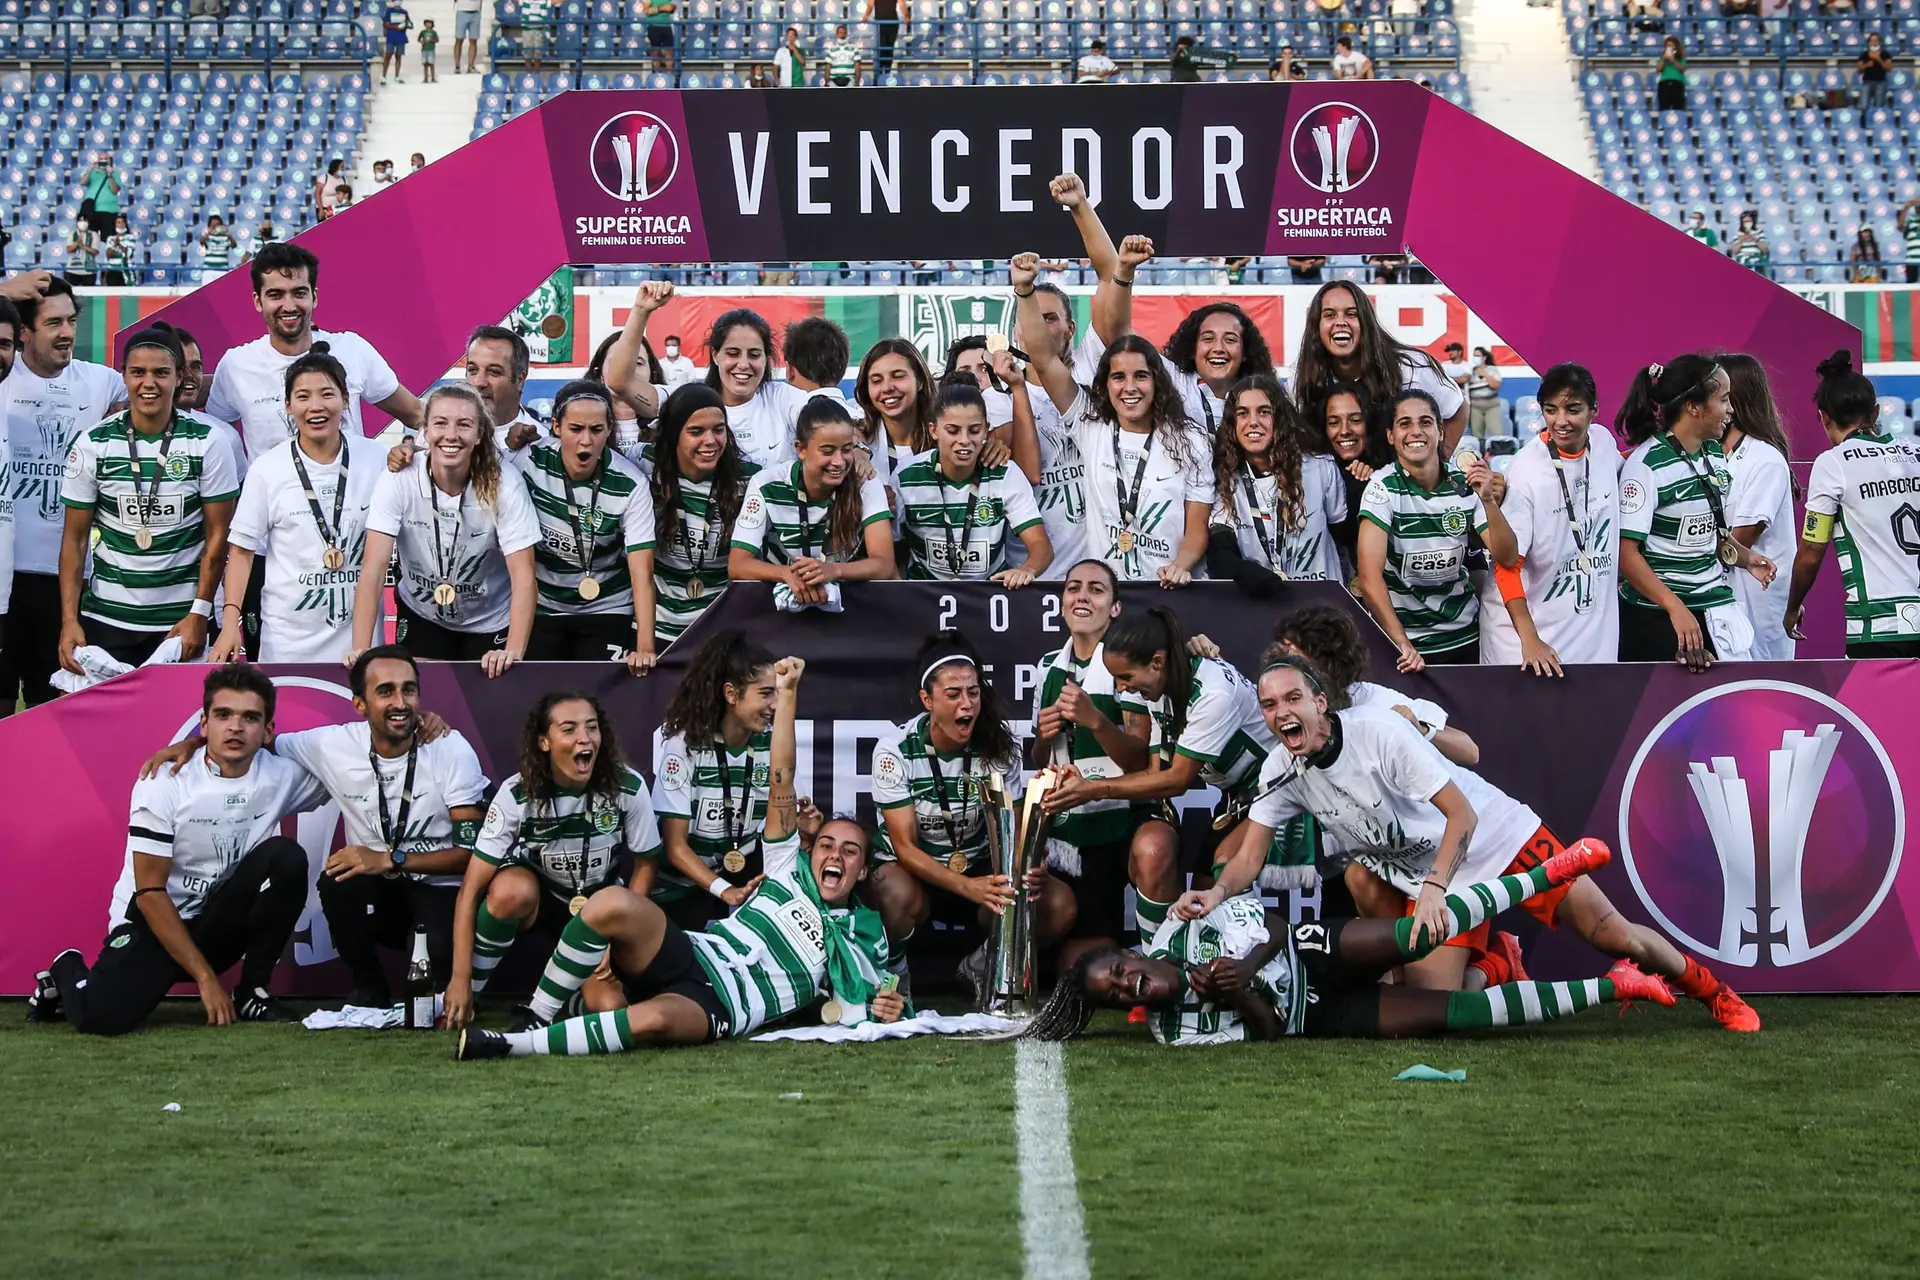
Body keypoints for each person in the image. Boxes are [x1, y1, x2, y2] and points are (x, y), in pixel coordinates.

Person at [1188, 658, 1762, 1030]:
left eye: (1292, 698)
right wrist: (1215, 895)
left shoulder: (1378, 733)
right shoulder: (1279, 770)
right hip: (1430, 875)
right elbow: (1248, 859)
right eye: (1269, 705)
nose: (1280, 712)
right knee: (1438, 1009)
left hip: (1495, 837)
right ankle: (1497, 963)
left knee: (1614, 935)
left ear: (1320, 701)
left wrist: (1435, 890)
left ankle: (1713, 992)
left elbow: (1459, 815)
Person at [459, 656, 908, 1058]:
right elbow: (782, 777)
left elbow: (881, 989)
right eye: (827, 843)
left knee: (646, 1021)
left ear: (864, 869)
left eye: (850, 851)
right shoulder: (785, 867)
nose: (835, 855)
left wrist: (889, 1002)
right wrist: (787, 696)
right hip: (697, 952)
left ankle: (515, 1045)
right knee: (611, 903)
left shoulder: (866, 931)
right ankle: (535, 1016)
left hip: (729, 1003)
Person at [1027, 842, 1670, 1043]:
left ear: (1132, 953)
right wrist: (1243, 995)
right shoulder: (1175, 1034)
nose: (1122, 984)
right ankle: (1616, 985)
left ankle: (1551, 872)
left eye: (1115, 970)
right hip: (1320, 1015)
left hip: (1310, 947)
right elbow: (1272, 1034)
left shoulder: (1180, 923)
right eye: (1113, 995)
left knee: (1418, 932)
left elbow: (1275, 925)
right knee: (1452, 1018)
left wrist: (1248, 962)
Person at [26, 666, 328, 1034]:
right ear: (203, 724)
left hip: (215, 925)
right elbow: (150, 894)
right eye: (223, 715)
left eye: (250, 717)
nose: (235, 727)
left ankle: (253, 993)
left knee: (286, 857)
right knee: (100, 1019)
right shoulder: (164, 781)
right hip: (151, 922)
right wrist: (205, 979)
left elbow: (353, 764)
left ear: (267, 731)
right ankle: (65, 972)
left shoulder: (280, 774)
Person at [864, 632, 1073, 994]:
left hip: (980, 864)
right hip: (920, 872)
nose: (968, 705)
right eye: (953, 694)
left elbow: (1015, 826)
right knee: (891, 891)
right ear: (927, 699)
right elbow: (905, 848)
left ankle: (980, 964)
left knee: (1058, 903)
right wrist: (967, 887)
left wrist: (1026, 867)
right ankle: (896, 979)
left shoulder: (996, 742)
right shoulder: (894, 750)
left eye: (973, 692)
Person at [1042, 606, 1281, 913]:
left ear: (1157, 662)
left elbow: (1177, 780)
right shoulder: (1162, 687)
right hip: (1242, 795)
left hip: (1280, 788)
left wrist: (1094, 788)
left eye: (1126, 676)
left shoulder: (1212, 692)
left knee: (1224, 871)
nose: (1122, 688)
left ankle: (1258, 954)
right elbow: (1156, 771)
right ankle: (1169, 957)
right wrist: (1091, 786)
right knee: (1206, 893)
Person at [445, 691, 662, 1030]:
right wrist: (459, 978)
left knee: (609, 1008)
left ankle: (566, 999)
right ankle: (471, 995)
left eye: (592, 727)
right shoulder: (517, 792)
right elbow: (470, 890)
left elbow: (647, 865)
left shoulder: (628, 786)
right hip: (539, 902)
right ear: (544, 742)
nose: (584, 738)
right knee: (508, 891)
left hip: (597, 909)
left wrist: (618, 934)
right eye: (569, 729)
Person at [1014, 254, 1213, 584]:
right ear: (1105, 384)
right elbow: (1045, 359)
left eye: (1141, 376)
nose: (1130, 387)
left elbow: (1196, 528)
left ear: (1157, 381)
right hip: (1109, 595)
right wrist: (1024, 290)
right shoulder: (1090, 426)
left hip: (1172, 590)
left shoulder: (1190, 440)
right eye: (1118, 377)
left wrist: (1182, 565)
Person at [58, 327, 237, 670]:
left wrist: (200, 612)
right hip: (108, 619)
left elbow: (218, 537)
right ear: (123, 374)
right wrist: (69, 619)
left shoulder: (209, 442)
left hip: (182, 622)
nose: (148, 383)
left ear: (179, 376)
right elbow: (74, 538)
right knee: (110, 725)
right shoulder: (93, 443)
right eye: (138, 372)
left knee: (184, 722)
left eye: (161, 373)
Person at [1009, 174, 1149, 580]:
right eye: (1034, 317)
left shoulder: (1097, 366)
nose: (1042, 325)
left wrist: (1080, 207)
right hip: (1037, 572)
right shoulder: (1002, 397)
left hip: (1110, 566)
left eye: (1051, 318)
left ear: (1072, 329)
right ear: (1020, 328)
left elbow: (1111, 277)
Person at [208, 345, 384, 664]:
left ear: (346, 400)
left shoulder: (378, 460)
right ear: (288, 405)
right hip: (288, 646)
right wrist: (231, 622)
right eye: (303, 396)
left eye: (327, 394)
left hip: (362, 645)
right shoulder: (267, 469)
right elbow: (243, 552)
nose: (315, 407)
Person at [0, 277, 126, 710]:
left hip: (67, 580)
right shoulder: (3, 372)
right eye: (53, 322)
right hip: (5, 576)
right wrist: (6, 290)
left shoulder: (102, 383)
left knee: (51, 705)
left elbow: (169, 385)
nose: (67, 332)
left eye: (71, 320)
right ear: (24, 333)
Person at [351, 384, 538, 674]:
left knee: (486, 714)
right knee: (420, 711)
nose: (451, 435)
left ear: (479, 435)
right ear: (424, 431)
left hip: (490, 622)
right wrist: (361, 650)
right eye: (440, 423)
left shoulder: (506, 484)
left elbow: (524, 576)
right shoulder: (399, 479)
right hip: (422, 615)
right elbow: (373, 569)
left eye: (464, 425)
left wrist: (512, 651)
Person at [1028, 559, 1153, 967]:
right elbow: (1038, 761)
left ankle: (1157, 959)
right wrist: (1044, 737)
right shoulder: (1047, 666)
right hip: (1070, 825)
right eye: (1073, 588)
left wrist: (1095, 720)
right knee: (1078, 964)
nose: (1082, 596)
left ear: (1115, 608)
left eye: (1096, 589)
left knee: (1094, 958)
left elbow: (1140, 759)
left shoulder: (1128, 664)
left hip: (1119, 815)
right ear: (1062, 602)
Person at [1615, 356, 1776, 668]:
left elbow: (1704, 533)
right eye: (1724, 400)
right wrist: (1675, 608)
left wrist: (1742, 557)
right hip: (1659, 618)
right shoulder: (1647, 466)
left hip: (1713, 610)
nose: (1731, 411)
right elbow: (1626, 554)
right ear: (1693, 407)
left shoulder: (1713, 453)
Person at [204, 243, 421, 462]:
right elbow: (215, 440)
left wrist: (418, 452)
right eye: (276, 295)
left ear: (314, 297)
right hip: (273, 496)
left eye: (299, 293)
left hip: (353, 494)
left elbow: (417, 415)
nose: (289, 306)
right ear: (258, 301)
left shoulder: (352, 349)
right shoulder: (235, 365)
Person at [1476, 362, 1623, 673]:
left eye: (1573, 409)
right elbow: (1506, 566)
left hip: (1590, 642)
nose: (1561, 421)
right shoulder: (1527, 471)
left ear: (1594, 409)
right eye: (1550, 410)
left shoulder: (1604, 443)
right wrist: (1530, 640)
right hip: (1528, 648)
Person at [1355, 389, 1517, 670]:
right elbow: (1369, 579)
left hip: (1465, 637)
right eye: (1405, 424)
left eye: (1425, 422)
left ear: (1440, 432)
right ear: (1391, 436)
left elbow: (1507, 557)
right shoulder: (1382, 488)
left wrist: (1488, 500)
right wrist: (1402, 643)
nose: (1415, 431)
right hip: (1407, 647)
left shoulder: (1464, 483)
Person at [515, 381, 658, 671]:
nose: (586, 441)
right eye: (575, 428)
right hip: (545, 606)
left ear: (609, 430)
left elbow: (641, 572)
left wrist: (644, 646)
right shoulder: (527, 461)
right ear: (556, 426)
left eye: (596, 430)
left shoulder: (631, 482)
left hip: (608, 606)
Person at [1791, 352, 1920, 655]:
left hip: (1878, 626)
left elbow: (1812, 550)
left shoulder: (1832, 464)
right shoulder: (1915, 452)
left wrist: (1792, 606)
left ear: (1822, 416)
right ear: (1876, 413)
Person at [650, 632, 779, 931]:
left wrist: (805, 822)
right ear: (732, 694)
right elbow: (674, 846)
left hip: (743, 875)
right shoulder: (685, 747)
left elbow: (781, 822)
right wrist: (724, 889)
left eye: (778, 693)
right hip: (682, 887)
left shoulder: (772, 742)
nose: (775, 704)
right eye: (765, 693)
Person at [608, 288, 806, 469]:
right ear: (715, 355)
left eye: (754, 355)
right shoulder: (687, 399)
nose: (744, 364)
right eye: (733, 353)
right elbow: (619, 382)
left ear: (766, 358)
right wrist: (641, 311)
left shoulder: (783, 398)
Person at [728, 396, 895, 603]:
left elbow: (884, 564)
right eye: (827, 451)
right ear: (801, 449)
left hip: (845, 605)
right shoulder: (766, 484)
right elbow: (738, 564)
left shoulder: (866, 483)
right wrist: (786, 574)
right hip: (779, 605)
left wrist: (832, 570)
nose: (839, 462)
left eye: (847, 449)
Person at [894, 377, 1050, 586]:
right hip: (925, 600)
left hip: (988, 597)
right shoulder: (906, 476)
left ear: (986, 429)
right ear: (934, 431)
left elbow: (1041, 545)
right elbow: (886, 550)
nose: (965, 440)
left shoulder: (1004, 473)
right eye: (953, 430)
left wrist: (1026, 569)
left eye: (974, 430)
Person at [1291, 281, 1469, 455]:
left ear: (1366, 322)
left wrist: (1440, 461)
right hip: (1334, 480)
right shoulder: (1302, 376)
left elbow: (1458, 408)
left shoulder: (1410, 367)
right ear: (1316, 326)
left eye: (1351, 314)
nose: (1341, 322)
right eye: (1330, 315)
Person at [1206, 373, 1346, 591]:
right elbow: (1220, 553)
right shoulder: (1225, 478)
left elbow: (1344, 535)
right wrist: (1244, 572)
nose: (1253, 422)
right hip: (1262, 605)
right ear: (1233, 423)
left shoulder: (1319, 466)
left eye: (1264, 412)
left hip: (1321, 602)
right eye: (1242, 413)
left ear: (1280, 418)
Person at [646, 384, 758, 648]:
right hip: (658, 628)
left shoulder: (750, 478)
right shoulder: (645, 465)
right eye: (696, 431)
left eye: (718, 430)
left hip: (721, 631)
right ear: (674, 435)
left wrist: (860, 451)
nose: (710, 441)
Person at [1716, 352, 1797, 662]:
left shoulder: (1764, 461)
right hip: (1722, 612)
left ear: (1731, 402)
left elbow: (1740, 542)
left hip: (1757, 615)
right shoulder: (1707, 455)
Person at [1159, 302, 1277, 438]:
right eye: (1208, 339)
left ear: (1245, 352)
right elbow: (1128, 337)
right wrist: (1127, 283)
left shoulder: (1264, 394)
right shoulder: (1175, 380)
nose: (1218, 348)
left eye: (1230, 340)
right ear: (1192, 349)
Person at [1314, 380, 1389, 578]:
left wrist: (1370, 486)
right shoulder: (1311, 473)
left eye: (1355, 420)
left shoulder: (1391, 472)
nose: (1345, 430)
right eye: (1333, 422)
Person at [854, 337, 938, 482]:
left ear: (920, 382)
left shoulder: (946, 438)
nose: (887, 388)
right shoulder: (857, 442)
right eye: (876, 381)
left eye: (898, 376)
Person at [860, 0, 908, 79]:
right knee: (881, 46)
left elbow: (901, 2)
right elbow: (871, 4)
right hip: (879, 22)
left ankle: (887, 72)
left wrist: (906, 15)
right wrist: (866, 15)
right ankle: (878, 73)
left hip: (892, 22)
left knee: (889, 47)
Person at [80, 153, 122, 241]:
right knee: (89, 239)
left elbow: (115, 190)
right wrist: (90, 170)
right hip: (92, 211)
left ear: (109, 161)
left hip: (109, 211)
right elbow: (82, 182)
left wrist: (110, 175)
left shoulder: (115, 173)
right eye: (101, 159)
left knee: (108, 239)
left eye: (106, 159)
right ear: (97, 160)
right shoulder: (92, 172)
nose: (103, 161)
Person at [1466, 346, 1504, 440]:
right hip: (1475, 406)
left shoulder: (1492, 370)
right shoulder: (1470, 371)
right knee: (1476, 434)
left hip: (1491, 405)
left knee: (1496, 432)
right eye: (1474, 356)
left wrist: (1485, 374)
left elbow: (1496, 385)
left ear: (1484, 358)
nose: (1476, 358)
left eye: (1478, 356)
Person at [1859, 33, 1893, 113]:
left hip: (1881, 82)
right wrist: (1867, 65)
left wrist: (1879, 59)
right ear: (1869, 42)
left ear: (1880, 42)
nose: (1874, 42)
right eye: (1872, 40)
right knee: (1864, 106)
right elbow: (1859, 69)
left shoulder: (1885, 55)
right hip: (1867, 82)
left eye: (1876, 40)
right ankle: (1864, 123)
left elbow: (1889, 68)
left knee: (1879, 106)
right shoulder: (1864, 55)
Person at [1729, 210, 1770, 275]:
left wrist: (1755, 239)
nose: (1747, 223)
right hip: (1743, 257)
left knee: (1757, 263)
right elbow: (1735, 251)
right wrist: (1741, 240)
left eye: (1748, 221)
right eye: (1745, 222)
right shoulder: (1737, 233)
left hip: (1756, 256)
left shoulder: (1759, 232)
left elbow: (1764, 250)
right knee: (1744, 263)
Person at [199, 214, 236, 282]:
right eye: (213, 226)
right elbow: (201, 242)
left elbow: (234, 245)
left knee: (222, 291)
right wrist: (208, 233)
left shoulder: (225, 238)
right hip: (208, 270)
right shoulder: (208, 238)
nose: (215, 227)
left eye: (217, 225)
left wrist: (228, 235)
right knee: (207, 291)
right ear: (209, 226)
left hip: (222, 270)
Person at [382, 1, 412, 84]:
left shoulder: (404, 12)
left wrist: (405, 26)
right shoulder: (389, 11)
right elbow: (385, 24)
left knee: (398, 57)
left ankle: (397, 76)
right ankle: (384, 76)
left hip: (401, 37)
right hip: (391, 36)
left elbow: (409, 24)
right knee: (388, 55)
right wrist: (395, 27)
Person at [1656, 36, 1688, 112]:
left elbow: (1682, 69)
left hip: (1677, 83)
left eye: (1671, 45)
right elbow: (1658, 69)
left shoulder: (1681, 58)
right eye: (1668, 45)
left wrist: (1673, 60)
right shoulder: (1662, 58)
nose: (1669, 47)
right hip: (1664, 83)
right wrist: (1663, 60)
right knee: (1664, 106)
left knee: (1678, 106)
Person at [100, 216, 134, 286]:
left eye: (122, 222)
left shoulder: (130, 238)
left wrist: (120, 245)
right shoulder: (110, 238)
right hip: (112, 270)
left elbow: (128, 253)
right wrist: (115, 245)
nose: (121, 224)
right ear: (115, 224)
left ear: (125, 224)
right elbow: (108, 255)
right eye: (118, 222)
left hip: (125, 269)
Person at [645, 0, 677, 71]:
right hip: (653, 26)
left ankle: (670, 76)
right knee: (656, 52)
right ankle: (656, 74)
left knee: (669, 51)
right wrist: (662, 8)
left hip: (667, 26)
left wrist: (672, 8)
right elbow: (646, 11)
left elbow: (672, 8)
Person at [454, 0, 483, 72]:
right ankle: (457, 66)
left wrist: (480, 10)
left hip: (476, 12)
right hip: (462, 10)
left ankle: (471, 66)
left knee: (473, 40)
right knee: (459, 39)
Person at [418, 17, 438, 82]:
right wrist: (421, 42)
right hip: (424, 49)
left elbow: (437, 40)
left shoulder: (433, 32)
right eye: (426, 23)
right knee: (425, 64)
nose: (428, 24)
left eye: (429, 23)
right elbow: (419, 39)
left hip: (431, 49)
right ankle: (425, 78)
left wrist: (433, 40)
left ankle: (433, 78)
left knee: (431, 64)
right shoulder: (423, 32)